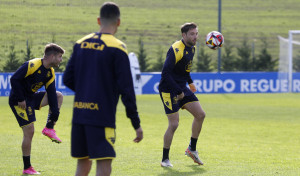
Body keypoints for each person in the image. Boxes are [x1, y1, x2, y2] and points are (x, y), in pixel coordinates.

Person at [63, 2, 143, 176]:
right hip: (101, 117)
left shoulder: (80, 43)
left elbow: (67, 79)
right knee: (104, 163)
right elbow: (126, 89)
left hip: (79, 115)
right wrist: (135, 123)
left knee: (83, 164)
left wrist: (87, 90)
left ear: (99, 20)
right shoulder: (118, 47)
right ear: (119, 22)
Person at [9, 43, 65, 174]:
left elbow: (51, 94)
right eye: (60, 57)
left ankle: (49, 128)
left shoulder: (50, 72)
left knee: (58, 96)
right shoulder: (33, 64)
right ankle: (27, 168)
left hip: (30, 98)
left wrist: (55, 116)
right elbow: (14, 79)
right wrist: (21, 99)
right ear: (52, 56)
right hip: (18, 100)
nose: (61, 60)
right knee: (29, 131)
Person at [159, 22, 206, 167]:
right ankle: (165, 159)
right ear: (183, 35)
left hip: (182, 87)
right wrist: (178, 92)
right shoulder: (175, 49)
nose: (195, 36)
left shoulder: (192, 48)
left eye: (196, 33)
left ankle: (192, 149)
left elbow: (185, 70)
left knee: (200, 115)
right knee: (174, 124)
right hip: (168, 89)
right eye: (192, 34)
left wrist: (190, 82)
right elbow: (165, 73)